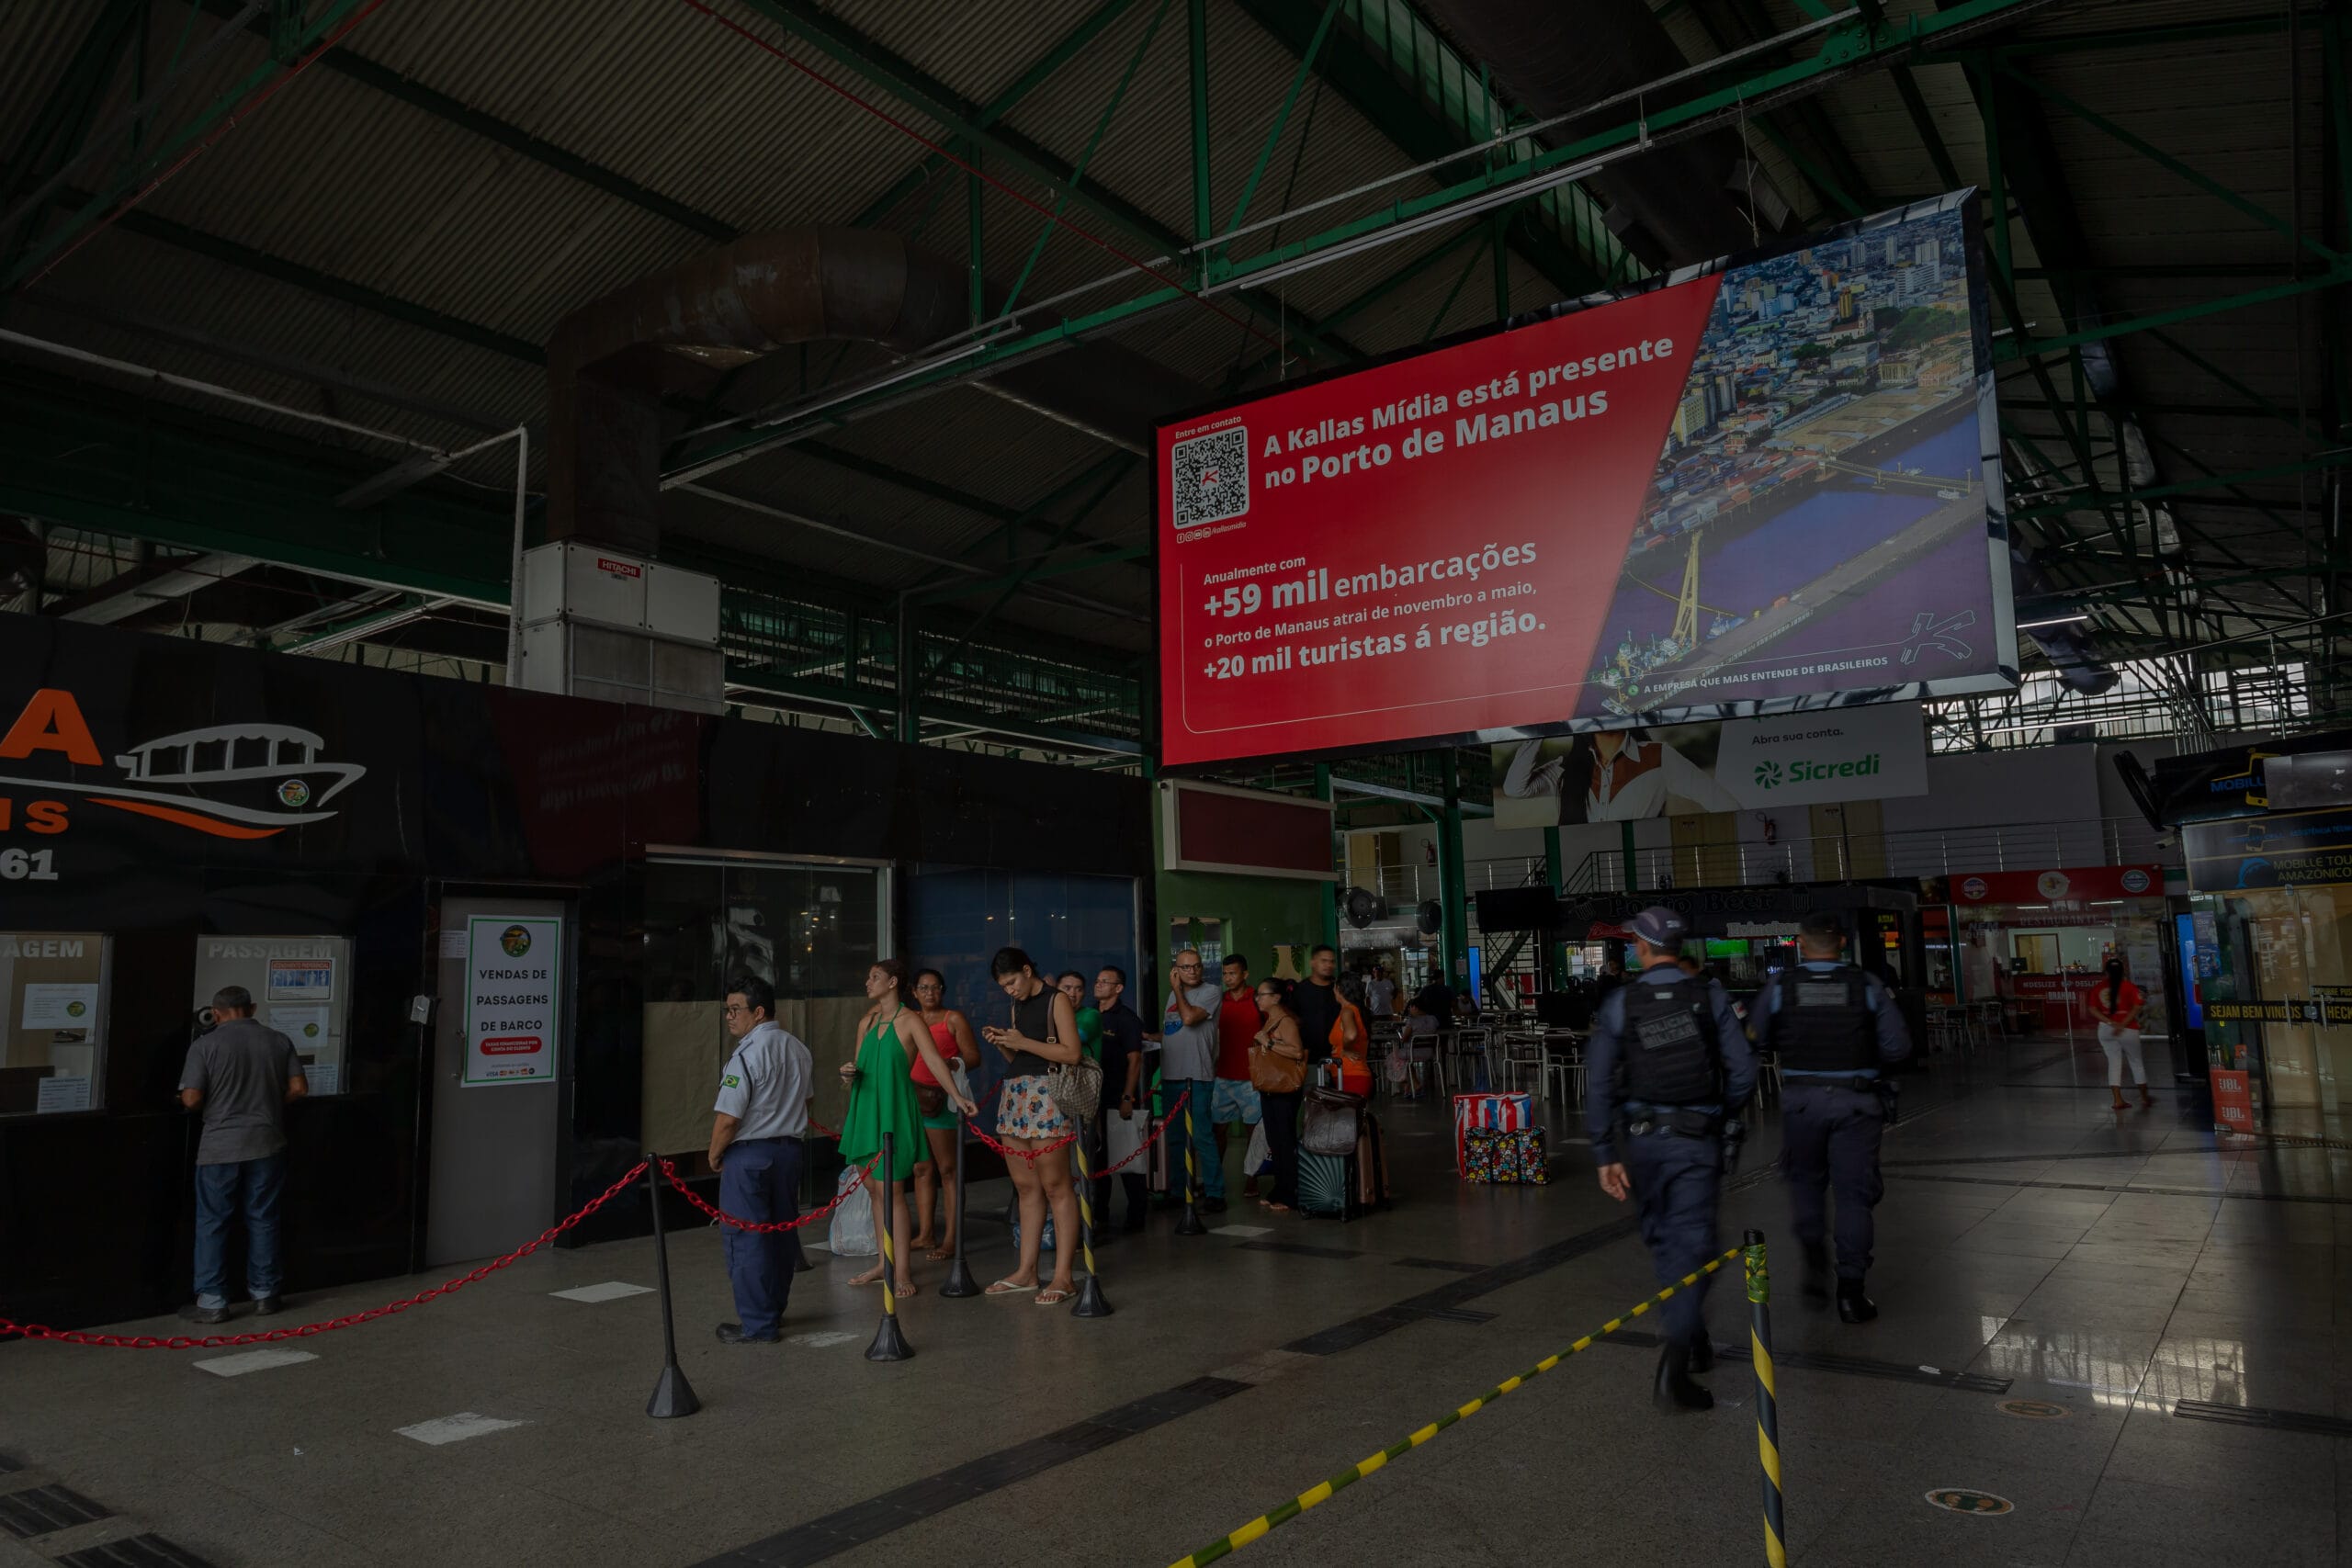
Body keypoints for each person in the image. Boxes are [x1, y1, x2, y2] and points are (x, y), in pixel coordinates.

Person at [1587, 906, 1755, 1413]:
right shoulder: (1710, 996)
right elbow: (1744, 1072)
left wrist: (1603, 1153)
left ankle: (1692, 1336)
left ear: (1641, 947)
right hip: (1693, 1143)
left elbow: (1598, 1080)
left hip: (1641, 1147)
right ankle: (1673, 1367)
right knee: (1694, 1241)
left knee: (1666, 1240)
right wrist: (1718, 1116)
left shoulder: (1622, 1003)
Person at [1755, 912, 1913, 1325]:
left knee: (1805, 1182)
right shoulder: (1867, 986)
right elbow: (1898, 1047)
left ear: (1801, 946)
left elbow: (1757, 1036)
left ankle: (1812, 1254)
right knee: (1853, 1196)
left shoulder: (1781, 987)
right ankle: (1851, 1294)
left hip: (1801, 1104)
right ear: (1841, 943)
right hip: (1855, 1105)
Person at [839, 959, 975, 1299]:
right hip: (865, 1110)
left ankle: (901, 1271)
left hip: (894, 1112)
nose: (868, 982)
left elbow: (932, 1060)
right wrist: (847, 1075)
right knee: (873, 1189)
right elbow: (857, 1069)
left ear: (893, 982)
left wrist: (957, 1096)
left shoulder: (910, 1020)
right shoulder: (867, 1021)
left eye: (875, 977)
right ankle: (883, 1263)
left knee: (892, 1192)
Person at [179, 986, 306, 1324]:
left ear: (216, 1013)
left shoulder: (204, 1045)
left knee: (213, 1221)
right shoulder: (279, 1040)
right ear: (251, 1008)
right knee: (263, 1217)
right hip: (267, 1142)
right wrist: (269, 1107)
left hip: (220, 1146)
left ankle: (213, 1300)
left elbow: (191, 1099)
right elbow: (298, 1089)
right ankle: (265, 1294)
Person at [707, 976, 814, 1344]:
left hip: (750, 1156)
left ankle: (757, 1324)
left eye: (735, 1009)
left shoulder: (746, 1055)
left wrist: (715, 1152)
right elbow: (807, 1101)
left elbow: (728, 1119)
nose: (729, 1017)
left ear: (759, 1012)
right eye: (727, 1009)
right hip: (789, 1152)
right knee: (782, 1234)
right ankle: (773, 1311)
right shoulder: (798, 1049)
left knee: (746, 1238)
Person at [983, 947, 1086, 1304]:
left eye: (1012, 981)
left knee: (1057, 1187)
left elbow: (1072, 1053)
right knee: (1026, 1189)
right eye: (1003, 986)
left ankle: (1063, 1276)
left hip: (1047, 1096)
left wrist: (1022, 1041)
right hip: (1015, 1094)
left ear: (1028, 970)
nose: (1009, 990)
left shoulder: (1056, 1000)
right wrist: (1004, 1044)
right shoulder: (1017, 1005)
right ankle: (1026, 1272)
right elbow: (1022, 1057)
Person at [909, 969, 982, 1261]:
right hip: (914, 1099)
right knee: (921, 1169)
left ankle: (952, 1238)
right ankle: (926, 1234)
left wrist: (954, 1062)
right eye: (924, 988)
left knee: (949, 1171)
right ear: (914, 991)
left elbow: (974, 1057)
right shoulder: (911, 1019)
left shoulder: (953, 1019)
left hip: (943, 1101)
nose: (930, 993)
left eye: (936, 987)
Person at [1159, 949, 1226, 1211]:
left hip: (1197, 1074)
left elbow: (1188, 1018)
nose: (1192, 971)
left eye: (1196, 966)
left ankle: (1215, 1192)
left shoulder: (1211, 991)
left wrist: (1177, 989)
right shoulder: (1170, 996)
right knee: (1175, 1137)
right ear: (1176, 969)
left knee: (1201, 1135)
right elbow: (1173, 1029)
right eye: (1186, 967)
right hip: (1171, 1075)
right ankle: (1179, 1189)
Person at [1093, 965, 1149, 1233]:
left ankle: (1137, 1216)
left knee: (1127, 1159)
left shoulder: (1126, 1019)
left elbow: (1135, 1060)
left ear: (1118, 988)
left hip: (1118, 1097)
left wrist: (1128, 1096)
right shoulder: (1091, 1015)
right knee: (1098, 1160)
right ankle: (1099, 1214)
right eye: (1098, 980)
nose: (1099, 985)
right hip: (1094, 1099)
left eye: (1106, 982)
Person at [1251, 978, 1309, 1213]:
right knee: (1275, 1141)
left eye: (1262, 994)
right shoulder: (1270, 1020)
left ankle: (1291, 1192)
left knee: (1284, 1140)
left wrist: (1269, 1043)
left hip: (1284, 1089)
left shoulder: (1286, 1022)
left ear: (1276, 997)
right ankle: (1281, 1187)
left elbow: (1297, 1052)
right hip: (1270, 1088)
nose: (1258, 999)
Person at [1211, 954, 1265, 1201]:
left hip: (1252, 1078)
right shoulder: (1218, 1002)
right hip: (1223, 1076)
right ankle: (1214, 1180)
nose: (1227, 978)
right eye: (1224, 974)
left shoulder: (1258, 1000)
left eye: (1232, 973)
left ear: (1245, 974)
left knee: (1252, 1132)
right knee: (1217, 1131)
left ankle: (1252, 1180)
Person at [2091, 959, 2154, 1111]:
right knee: (2136, 1062)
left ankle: (2118, 1100)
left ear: (2106, 972)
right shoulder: (2129, 987)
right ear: (2123, 971)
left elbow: (2092, 1009)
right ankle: (2145, 1098)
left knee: (2114, 1063)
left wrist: (2111, 1023)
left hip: (2106, 1030)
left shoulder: (2098, 988)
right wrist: (2122, 1024)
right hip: (2128, 1030)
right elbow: (2137, 1007)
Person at [1292, 944, 1343, 1070]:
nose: (1328, 965)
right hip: (1308, 1062)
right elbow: (1292, 1022)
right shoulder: (1300, 990)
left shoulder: (1340, 991)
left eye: (1331, 961)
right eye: (1324, 961)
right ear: (1313, 962)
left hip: (1337, 1060)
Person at [1332, 974, 1374, 1095]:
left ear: (1339, 989)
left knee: (1351, 1113)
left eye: (1334, 987)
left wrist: (1346, 1049)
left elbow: (1351, 1035)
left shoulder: (1347, 1011)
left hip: (1351, 1075)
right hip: (1351, 1074)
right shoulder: (1357, 1010)